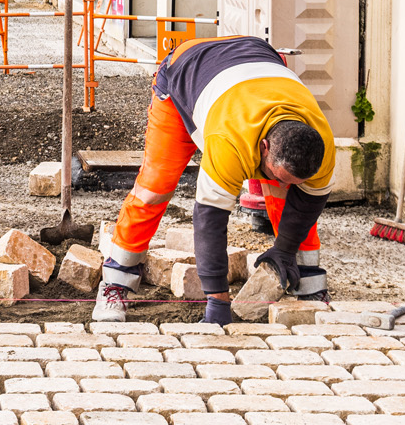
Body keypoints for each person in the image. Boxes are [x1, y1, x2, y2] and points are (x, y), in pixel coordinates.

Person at [92, 35, 335, 325]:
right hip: (186, 70)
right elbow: (210, 221)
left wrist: (284, 251)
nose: (283, 183)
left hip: (252, 58)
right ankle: (116, 281)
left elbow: (307, 207)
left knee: (289, 201)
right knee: (154, 187)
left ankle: (309, 286)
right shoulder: (228, 142)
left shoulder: (322, 145)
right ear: (264, 148)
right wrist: (217, 299)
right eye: (277, 174)